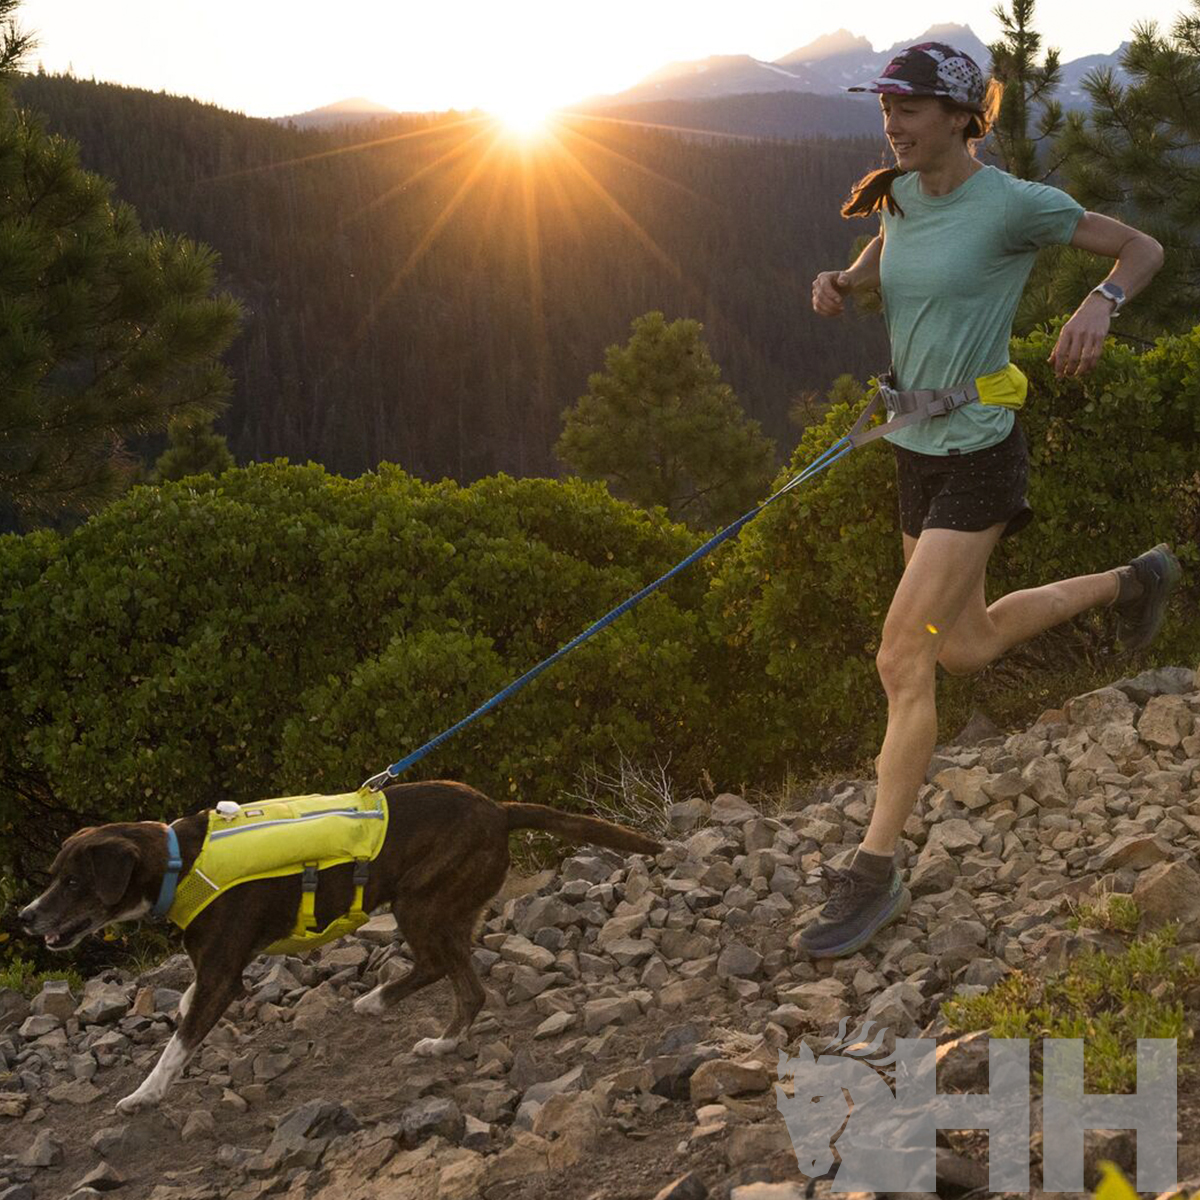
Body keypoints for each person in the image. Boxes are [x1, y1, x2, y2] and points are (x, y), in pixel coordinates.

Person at [800, 42, 1180, 959]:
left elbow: (1143, 246)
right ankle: (1134, 581)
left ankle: (876, 870)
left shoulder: (1013, 203)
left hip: (978, 450)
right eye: (886, 106)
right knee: (962, 645)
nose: (892, 122)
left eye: (909, 108)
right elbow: (891, 243)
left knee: (903, 656)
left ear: (962, 118)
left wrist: (1102, 301)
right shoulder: (900, 193)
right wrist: (846, 281)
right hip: (914, 450)